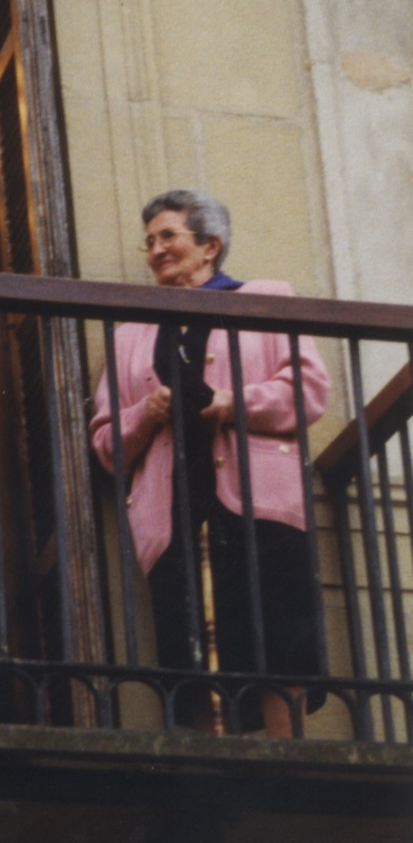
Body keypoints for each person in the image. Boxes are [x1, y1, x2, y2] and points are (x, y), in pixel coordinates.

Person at [89, 189, 330, 737]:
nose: (156, 249)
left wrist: (231, 402)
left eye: (168, 236)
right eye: (149, 241)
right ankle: (214, 767)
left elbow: (310, 390)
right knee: (190, 648)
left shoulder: (264, 298)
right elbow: (105, 443)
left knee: (278, 639)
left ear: (210, 245)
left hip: (260, 502)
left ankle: (288, 759)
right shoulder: (129, 337)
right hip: (172, 510)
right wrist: (145, 415)